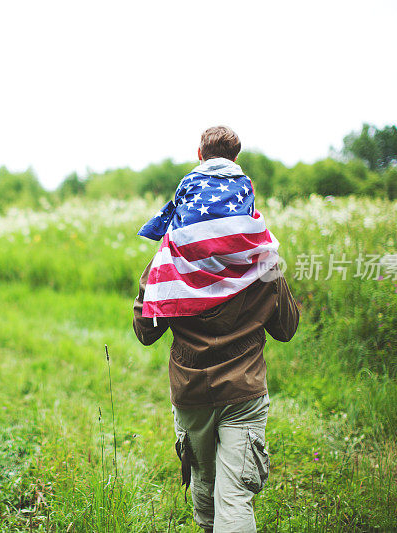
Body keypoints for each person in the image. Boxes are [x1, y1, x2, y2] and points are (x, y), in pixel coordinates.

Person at [132, 126, 301, 532]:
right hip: (243, 391)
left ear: (198, 155)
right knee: (235, 497)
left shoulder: (170, 258)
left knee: (204, 483)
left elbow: (146, 331)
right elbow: (287, 328)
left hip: (191, 391)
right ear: (239, 167)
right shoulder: (261, 256)